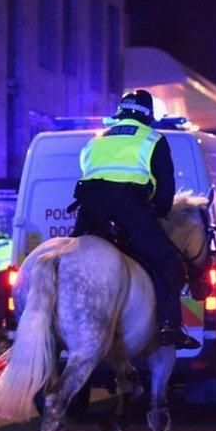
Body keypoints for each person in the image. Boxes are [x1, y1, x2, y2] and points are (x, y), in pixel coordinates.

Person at [70, 89, 199, 349]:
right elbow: (164, 194)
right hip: (129, 210)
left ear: (120, 113)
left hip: (89, 210)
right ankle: (170, 327)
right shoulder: (153, 139)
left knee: (68, 260)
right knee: (169, 265)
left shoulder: (96, 140)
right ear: (147, 115)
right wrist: (157, 212)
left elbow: (87, 170)